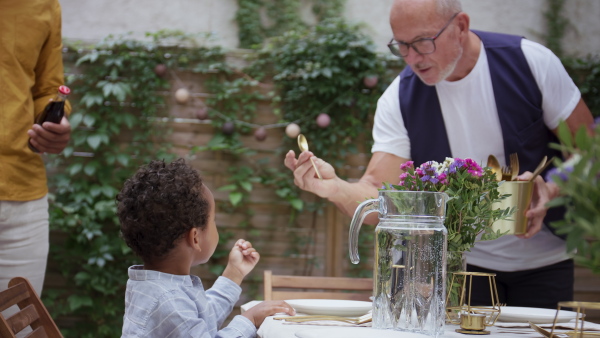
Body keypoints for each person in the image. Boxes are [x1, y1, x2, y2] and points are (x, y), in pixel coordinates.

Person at [284, 0, 594, 308]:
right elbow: (381, 195)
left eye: (422, 42)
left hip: (546, 262)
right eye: (401, 46)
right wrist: (336, 187)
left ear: (461, 26)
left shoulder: (529, 62)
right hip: (454, 266)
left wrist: (551, 188)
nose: (412, 58)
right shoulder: (399, 98)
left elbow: (589, 151)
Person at [118, 158, 295, 337]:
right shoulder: (169, 300)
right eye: (213, 221)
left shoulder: (156, 288)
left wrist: (234, 273)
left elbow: (203, 320)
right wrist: (250, 320)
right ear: (195, 238)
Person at [0, 0, 72, 313]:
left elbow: (48, 86)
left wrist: (56, 119)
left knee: (19, 328)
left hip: (23, 201)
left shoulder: (43, 4)